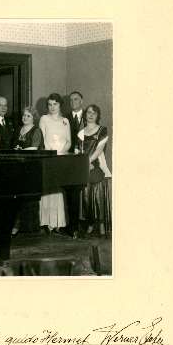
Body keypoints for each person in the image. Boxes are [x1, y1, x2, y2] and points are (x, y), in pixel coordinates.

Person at [77, 104, 112, 236]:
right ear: (85, 115)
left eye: (94, 113)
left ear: (98, 116)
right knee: (85, 191)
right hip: (83, 166)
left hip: (96, 164)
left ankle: (101, 223)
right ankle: (90, 223)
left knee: (97, 187)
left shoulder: (102, 130)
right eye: (88, 112)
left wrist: (89, 162)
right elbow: (77, 150)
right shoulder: (81, 132)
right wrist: (83, 163)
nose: (91, 115)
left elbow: (99, 150)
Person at [39, 93, 71, 233]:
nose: (52, 107)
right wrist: (51, 154)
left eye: (55, 104)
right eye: (50, 104)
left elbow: (69, 141)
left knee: (59, 190)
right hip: (48, 157)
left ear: (60, 105)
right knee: (48, 189)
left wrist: (61, 153)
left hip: (61, 158)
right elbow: (42, 140)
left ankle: (58, 222)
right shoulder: (44, 119)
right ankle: (46, 222)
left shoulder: (65, 121)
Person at [11, 107, 44, 235]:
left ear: (34, 118)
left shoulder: (37, 130)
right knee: (17, 196)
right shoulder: (18, 129)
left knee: (28, 198)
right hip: (17, 166)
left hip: (31, 168)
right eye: (24, 115)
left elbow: (34, 148)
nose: (25, 117)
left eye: (28, 116)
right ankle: (16, 224)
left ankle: (29, 228)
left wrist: (20, 151)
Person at [65, 90, 85, 237]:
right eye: (71, 100)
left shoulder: (89, 115)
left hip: (85, 160)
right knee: (71, 192)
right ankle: (73, 227)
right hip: (69, 160)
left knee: (78, 192)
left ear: (81, 101)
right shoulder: (65, 118)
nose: (73, 102)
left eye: (76, 99)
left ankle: (82, 224)